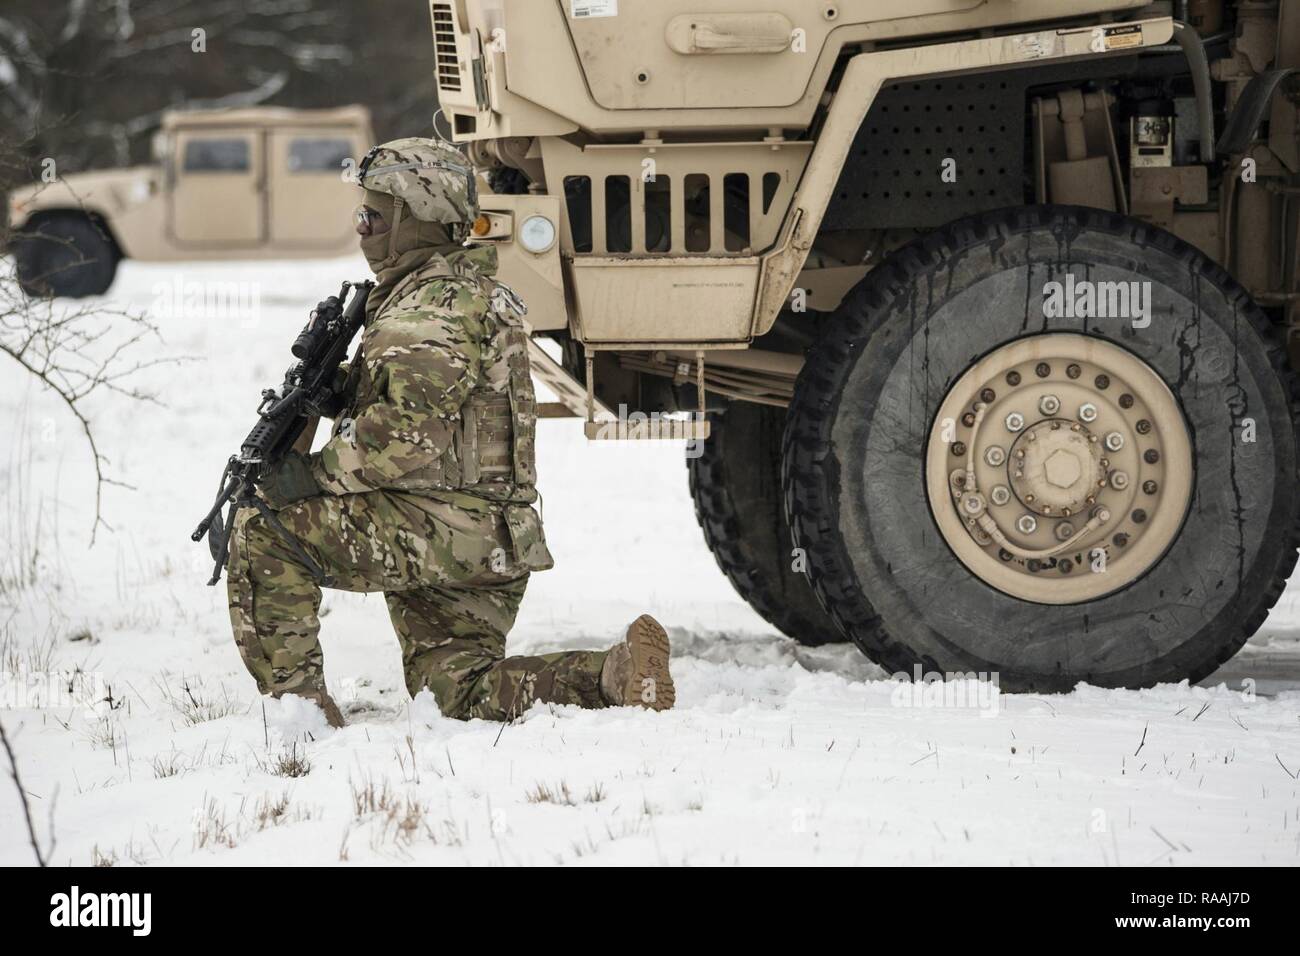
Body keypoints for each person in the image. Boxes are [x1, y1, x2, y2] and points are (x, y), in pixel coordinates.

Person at [224, 137, 674, 726]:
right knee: (459, 694)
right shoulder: (468, 293)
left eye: (374, 216)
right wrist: (342, 394)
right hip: (489, 538)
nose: (361, 230)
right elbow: (432, 411)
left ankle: (298, 714)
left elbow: (403, 440)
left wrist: (307, 477)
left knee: (265, 528)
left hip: (438, 529)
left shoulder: (428, 310)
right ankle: (611, 675)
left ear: (416, 220)